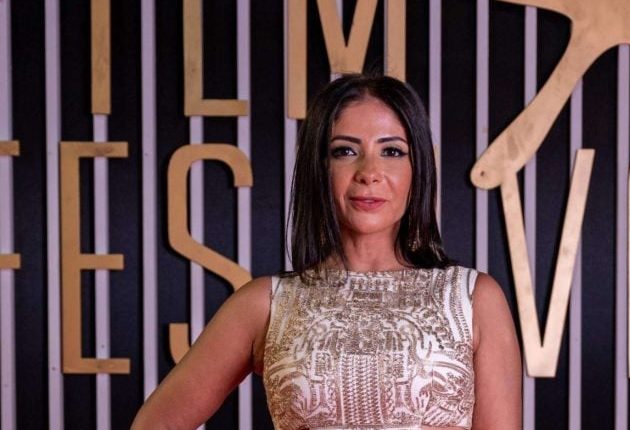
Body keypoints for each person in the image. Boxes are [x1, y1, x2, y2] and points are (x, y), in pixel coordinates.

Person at [132, 74, 521, 429]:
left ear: (418, 168)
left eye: (392, 151)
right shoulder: (267, 304)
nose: (369, 172)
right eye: (345, 151)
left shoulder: (474, 300)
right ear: (318, 168)